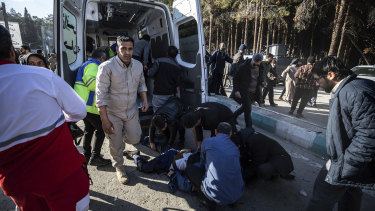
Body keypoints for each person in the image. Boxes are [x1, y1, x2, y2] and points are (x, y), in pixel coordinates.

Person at [0, 25, 90, 211]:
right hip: (64, 181)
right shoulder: (43, 77)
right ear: (12, 51)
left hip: (19, 188)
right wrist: (57, 119)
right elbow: (79, 111)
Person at [307, 57, 375, 211]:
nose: (317, 83)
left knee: (321, 198)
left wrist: (346, 165)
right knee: (350, 195)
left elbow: (369, 135)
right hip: (351, 160)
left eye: (318, 79)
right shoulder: (350, 88)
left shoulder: (354, 92)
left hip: (346, 162)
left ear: (330, 75)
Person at [96, 36, 149, 185]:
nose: (127, 52)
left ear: (133, 49)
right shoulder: (106, 67)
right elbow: (101, 95)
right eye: (123, 48)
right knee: (115, 143)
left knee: (135, 139)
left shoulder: (138, 65)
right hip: (113, 113)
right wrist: (104, 120)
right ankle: (119, 167)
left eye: (130, 49)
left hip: (131, 110)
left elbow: (142, 83)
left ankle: (122, 139)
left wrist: (144, 100)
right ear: (117, 49)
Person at [185, 122, 244, 207]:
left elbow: (202, 161)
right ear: (230, 134)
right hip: (237, 194)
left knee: (190, 169)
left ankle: (208, 201)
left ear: (215, 132)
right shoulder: (235, 148)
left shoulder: (208, 141)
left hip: (215, 195)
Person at [74, 49, 111, 166]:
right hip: (90, 106)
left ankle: (87, 154)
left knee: (89, 129)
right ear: (101, 59)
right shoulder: (93, 65)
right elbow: (92, 84)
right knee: (101, 129)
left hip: (84, 105)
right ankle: (95, 156)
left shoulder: (87, 64)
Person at [232, 53, 264, 128]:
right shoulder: (243, 67)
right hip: (244, 91)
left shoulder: (261, 67)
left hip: (254, 91)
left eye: (258, 63)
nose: (256, 65)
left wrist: (263, 82)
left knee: (245, 107)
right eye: (255, 63)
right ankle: (249, 127)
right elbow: (235, 79)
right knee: (248, 109)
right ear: (253, 60)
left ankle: (233, 117)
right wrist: (236, 90)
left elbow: (260, 79)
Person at [147, 46, 182, 111]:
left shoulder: (159, 61)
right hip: (170, 94)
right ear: (176, 55)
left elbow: (150, 73)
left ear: (167, 53)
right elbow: (177, 83)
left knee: (157, 112)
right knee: (167, 112)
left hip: (159, 93)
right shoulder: (177, 67)